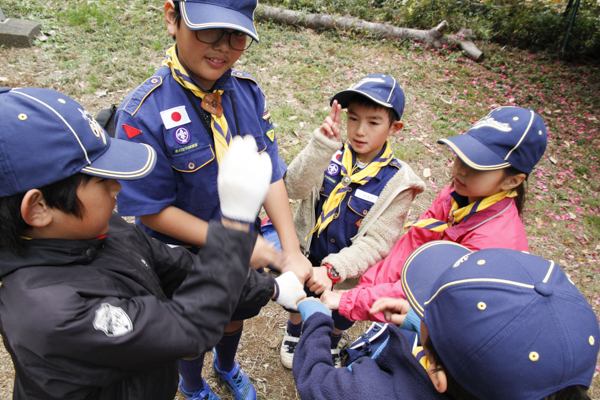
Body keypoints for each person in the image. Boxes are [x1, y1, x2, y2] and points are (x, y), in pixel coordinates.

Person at [0, 87, 306, 400]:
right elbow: (186, 329)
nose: (117, 186)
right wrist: (235, 227)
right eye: (101, 180)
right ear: (38, 208)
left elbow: (178, 266)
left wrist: (272, 288)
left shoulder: (97, 232)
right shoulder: (51, 315)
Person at [113, 1, 312, 399]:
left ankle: (225, 365)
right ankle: (191, 384)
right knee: (191, 331)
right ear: (172, 18)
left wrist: (290, 250)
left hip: (242, 245)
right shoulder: (142, 113)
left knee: (232, 315)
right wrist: (231, 242)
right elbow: (151, 211)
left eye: (237, 36)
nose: (223, 47)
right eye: (209, 31)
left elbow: (268, 170)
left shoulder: (247, 94)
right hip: (180, 256)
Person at [321, 106, 549, 326]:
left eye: (477, 166)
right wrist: (364, 290)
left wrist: (350, 300)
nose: (460, 169)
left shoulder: (492, 244)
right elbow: (413, 245)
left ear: (512, 181)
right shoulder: (457, 194)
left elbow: (430, 292)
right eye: (462, 155)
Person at [293, 241, 600, 400]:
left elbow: (316, 380)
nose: (420, 307)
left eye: (429, 308)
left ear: (436, 375)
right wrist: (419, 322)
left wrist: (317, 323)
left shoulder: (372, 391)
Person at [279, 73, 425, 368]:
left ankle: (330, 341)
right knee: (296, 297)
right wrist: (320, 147)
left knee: (339, 315)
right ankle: (295, 331)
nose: (359, 131)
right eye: (353, 119)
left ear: (394, 127)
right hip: (307, 255)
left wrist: (333, 271)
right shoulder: (331, 153)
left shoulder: (398, 182)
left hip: (346, 273)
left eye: (373, 122)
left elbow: (378, 242)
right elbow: (292, 188)